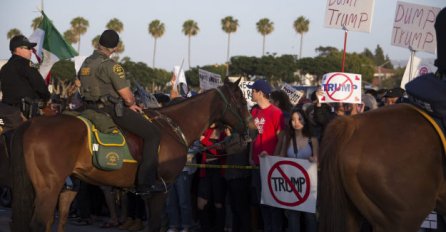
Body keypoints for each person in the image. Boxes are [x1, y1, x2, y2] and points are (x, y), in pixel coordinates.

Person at [77, 29, 164, 195]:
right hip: (110, 110)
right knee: (153, 134)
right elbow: (127, 97)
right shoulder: (111, 66)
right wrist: (131, 103)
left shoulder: (86, 62)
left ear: (99, 43)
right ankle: (145, 183)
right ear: (115, 48)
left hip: (88, 108)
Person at [247, 79, 285, 232]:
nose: (251, 93)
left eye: (253, 91)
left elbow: (281, 139)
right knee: (261, 201)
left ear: (260, 93)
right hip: (256, 164)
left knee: (273, 202)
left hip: (271, 166)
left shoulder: (277, 112)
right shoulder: (254, 111)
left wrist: (273, 159)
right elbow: (252, 137)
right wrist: (250, 155)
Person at [278, 108, 318, 232]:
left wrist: (314, 159)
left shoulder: (313, 139)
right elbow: (281, 158)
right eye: (293, 120)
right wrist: (265, 157)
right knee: (293, 216)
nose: (296, 122)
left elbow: (318, 159)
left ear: (305, 120)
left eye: (299, 119)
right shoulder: (287, 139)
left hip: (309, 184)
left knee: (310, 216)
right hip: (292, 184)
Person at [0, 35, 50, 118]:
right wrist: (47, 98)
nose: (31, 51)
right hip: (26, 114)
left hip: (7, 114)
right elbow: (41, 87)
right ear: (18, 49)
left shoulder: (4, 68)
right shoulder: (26, 65)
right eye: (28, 48)